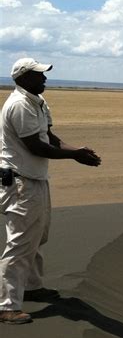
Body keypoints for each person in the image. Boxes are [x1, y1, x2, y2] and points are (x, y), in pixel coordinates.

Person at [0, 58, 101, 324]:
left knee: (37, 235)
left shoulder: (38, 102)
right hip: (21, 181)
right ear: (22, 78)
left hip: (35, 178)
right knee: (20, 243)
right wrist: (74, 157)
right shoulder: (20, 105)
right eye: (38, 75)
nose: (44, 79)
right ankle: (6, 306)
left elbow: (50, 138)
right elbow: (35, 146)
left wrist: (76, 150)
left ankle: (32, 287)